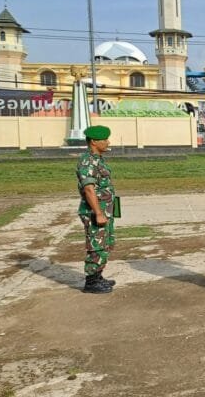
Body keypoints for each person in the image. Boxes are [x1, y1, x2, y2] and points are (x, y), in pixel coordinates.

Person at [76, 125, 117, 294]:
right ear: (94, 142)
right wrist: (98, 213)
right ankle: (91, 282)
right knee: (96, 245)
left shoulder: (98, 159)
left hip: (104, 210)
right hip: (95, 212)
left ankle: (98, 276)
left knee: (105, 243)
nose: (108, 142)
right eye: (104, 140)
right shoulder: (88, 161)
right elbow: (89, 189)